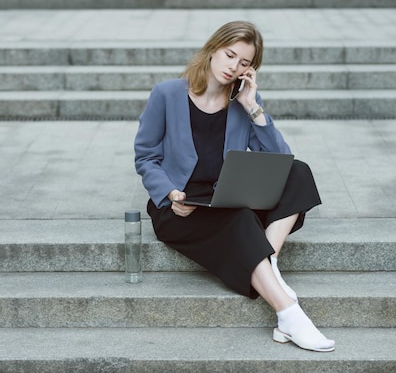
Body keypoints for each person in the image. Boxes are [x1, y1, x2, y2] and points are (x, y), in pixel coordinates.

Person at [134, 20, 335, 352]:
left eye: (245, 63)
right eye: (230, 55)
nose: (233, 67)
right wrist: (169, 194)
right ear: (214, 48)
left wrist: (253, 107)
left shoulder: (241, 102)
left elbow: (280, 160)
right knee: (241, 219)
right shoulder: (167, 94)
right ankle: (289, 314)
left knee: (298, 172)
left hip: (226, 196)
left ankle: (266, 262)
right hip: (181, 206)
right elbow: (145, 157)